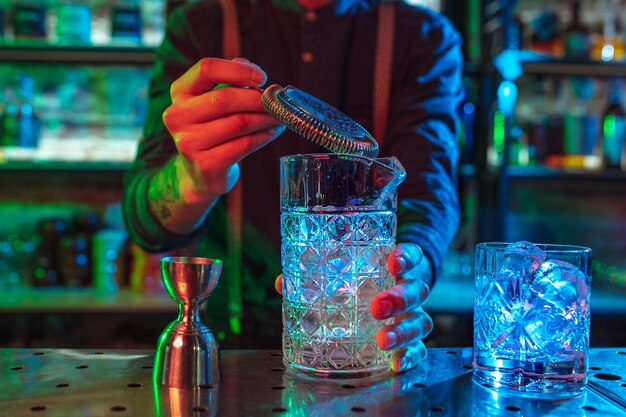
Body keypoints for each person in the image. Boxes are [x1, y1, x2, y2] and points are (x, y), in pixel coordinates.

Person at [123, 0, 463, 373]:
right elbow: (147, 223)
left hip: (361, 341)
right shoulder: (201, 24)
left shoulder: (423, 36)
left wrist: (408, 276)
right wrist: (192, 179)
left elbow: (429, 190)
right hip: (228, 348)